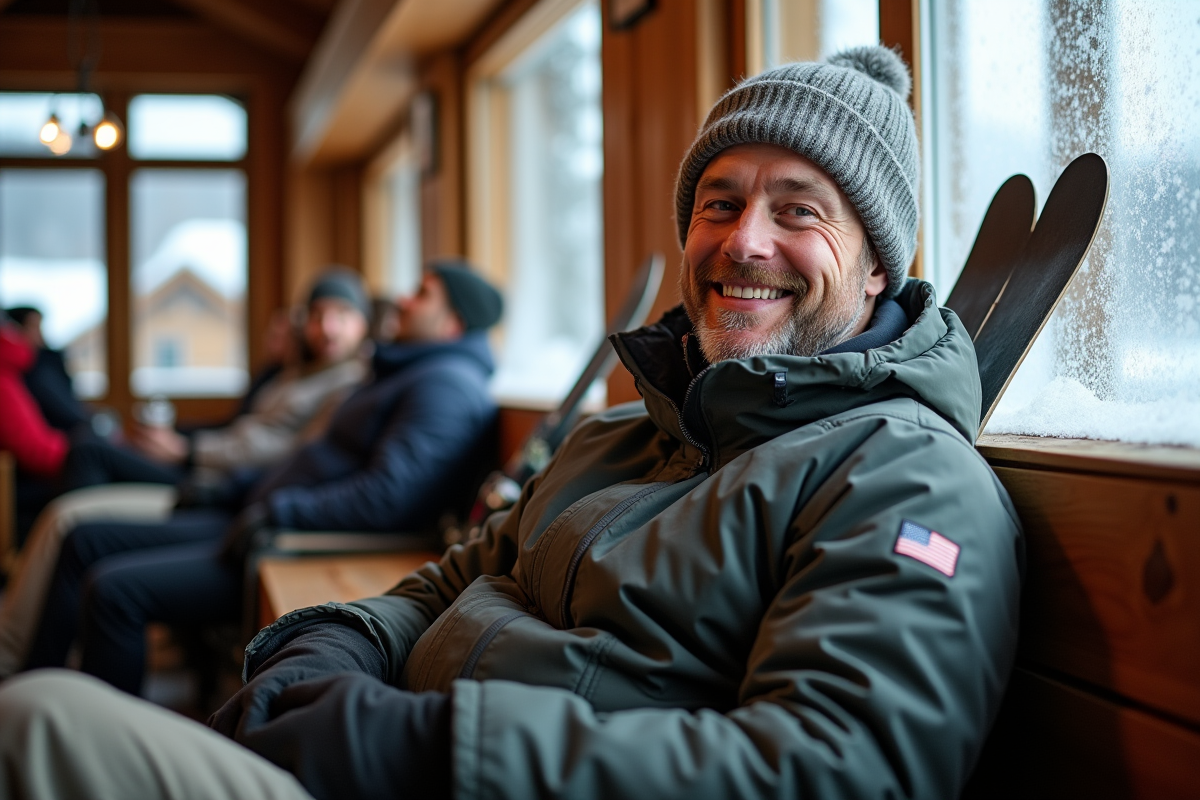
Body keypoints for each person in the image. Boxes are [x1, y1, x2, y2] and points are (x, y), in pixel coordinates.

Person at [0, 47, 1021, 800]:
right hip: (386, 754)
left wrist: (421, 746)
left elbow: (835, 771)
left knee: (39, 726)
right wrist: (333, 645)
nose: (743, 239)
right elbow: (458, 572)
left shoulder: (903, 477)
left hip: (433, 771)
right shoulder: (627, 432)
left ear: (879, 262)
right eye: (719, 202)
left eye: (799, 210)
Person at [14, 260, 503, 696]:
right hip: (258, 518)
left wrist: (278, 511)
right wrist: (235, 490)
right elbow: (310, 461)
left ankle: (86, 747)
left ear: (453, 321)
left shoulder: (446, 388)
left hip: (286, 540)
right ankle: (32, 693)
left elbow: (387, 498)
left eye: (421, 294)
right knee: (85, 540)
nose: (401, 299)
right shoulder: (409, 374)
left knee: (113, 591)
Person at [0, 268, 371, 678]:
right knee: (86, 484)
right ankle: (45, 660)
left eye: (341, 314)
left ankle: (35, 668)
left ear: (364, 322)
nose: (326, 327)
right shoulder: (299, 372)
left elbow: (280, 452)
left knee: (89, 470)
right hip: (230, 488)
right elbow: (241, 428)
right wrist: (180, 439)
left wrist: (187, 451)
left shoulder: (349, 384)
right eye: (317, 315)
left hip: (231, 493)